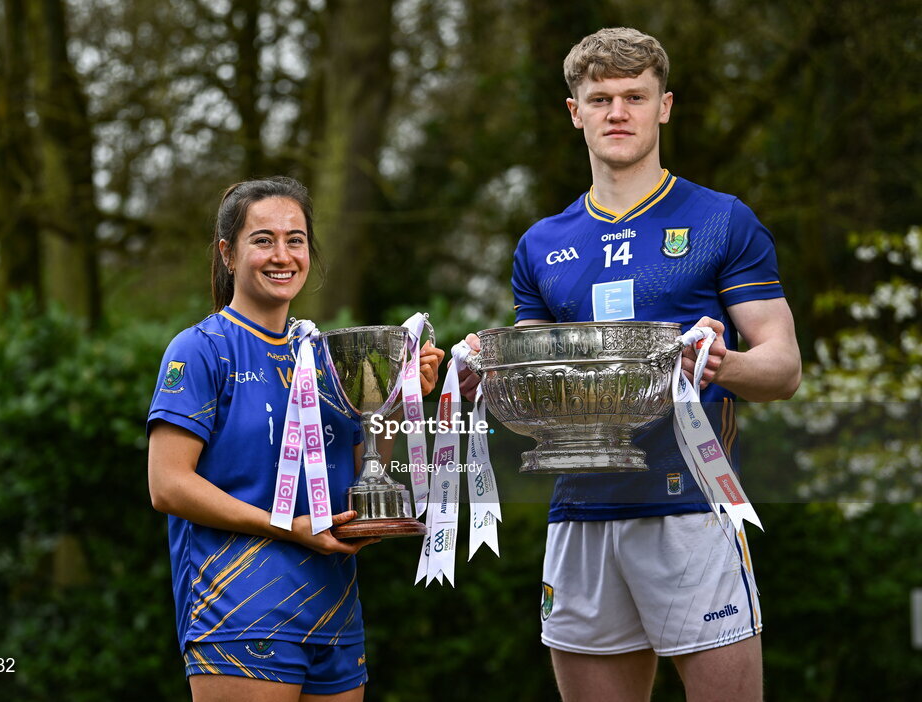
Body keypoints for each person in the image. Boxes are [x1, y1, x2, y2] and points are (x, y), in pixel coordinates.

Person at [461, 28, 801, 702]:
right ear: (574, 111)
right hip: (579, 511)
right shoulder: (542, 244)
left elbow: (783, 366)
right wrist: (483, 373)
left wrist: (718, 364)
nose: (618, 112)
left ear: (664, 106)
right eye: (601, 97)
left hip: (690, 509)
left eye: (635, 96)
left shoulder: (721, 221)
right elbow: (538, 378)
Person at [147, 177, 444, 701]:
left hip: (335, 609)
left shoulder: (327, 356)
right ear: (228, 253)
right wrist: (288, 527)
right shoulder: (200, 349)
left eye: (296, 239)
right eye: (262, 239)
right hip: (240, 610)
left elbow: (363, 471)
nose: (281, 254)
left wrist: (399, 399)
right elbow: (167, 485)